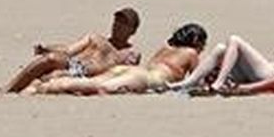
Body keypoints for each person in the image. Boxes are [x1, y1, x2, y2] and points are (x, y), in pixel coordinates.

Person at [0, 8, 142, 94]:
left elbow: (126, 74)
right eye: (116, 22)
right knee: (51, 58)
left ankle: (23, 89)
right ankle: (8, 88)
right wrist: (47, 48)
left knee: (48, 78)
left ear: (132, 30)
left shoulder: (129, 53)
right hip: (74, 64)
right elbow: (68, 50)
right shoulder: (95, 38)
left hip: (87, 74)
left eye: (123, 24)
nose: (117, 26)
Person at [34, 23, 206, 96]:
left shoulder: (166, 47)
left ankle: (42, 85)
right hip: (145, 79)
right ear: (197, 42)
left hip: (135, 71)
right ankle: (46, 88)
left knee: (91, 81)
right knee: (97, 87)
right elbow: (198, 81)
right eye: (203, 44)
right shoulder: (192, 54)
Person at [171, 15, 274, 94]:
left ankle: (218, 83)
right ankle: (189, 82)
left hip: (273, 75)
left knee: (235, 40)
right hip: (265, 71)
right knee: (220, 48)